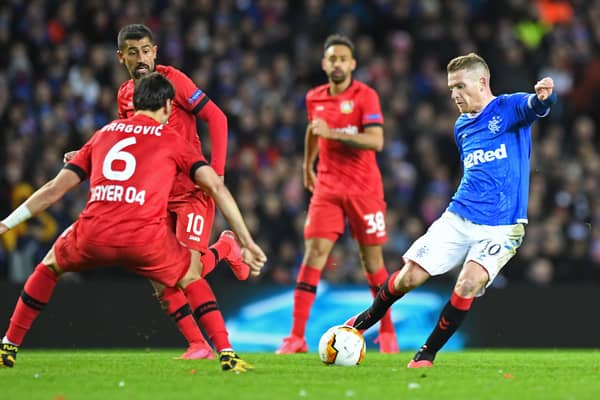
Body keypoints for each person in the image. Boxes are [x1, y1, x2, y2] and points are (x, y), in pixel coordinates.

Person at [0, 73, 267, 372]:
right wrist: (247, 240)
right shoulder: (173, 140)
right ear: (168, 106)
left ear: (133, 102)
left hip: (93, 233)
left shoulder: (103, 134)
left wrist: (7, 224)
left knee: (49, 266)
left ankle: (8, 345)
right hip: (145, 240)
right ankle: (226, 353)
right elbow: (216, 188)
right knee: (191, 277)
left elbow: (53, 191)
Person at [346, 53, 556, 368]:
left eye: (460, 86)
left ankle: (426, 354)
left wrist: (542, 99)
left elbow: (534, 108)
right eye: (450, 89)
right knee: (409, 278)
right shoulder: (461, 127)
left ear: (482, 82)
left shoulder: (508, 107)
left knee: (467, 283)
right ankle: (363, 321)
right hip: (458, 218)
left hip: (503, 225)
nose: (454, 94)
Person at [65, 24, 243, 362]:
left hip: (191, 191)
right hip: (154, 195)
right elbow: (129, 140)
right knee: (158, 275)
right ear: (122, 57)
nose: (141, 58)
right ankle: (198, 344)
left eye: (146, 50)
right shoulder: (124, 95)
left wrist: (215, 175)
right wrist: (86, 155)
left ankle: (225, 247)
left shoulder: (174, 81)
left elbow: (216, 118)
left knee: (187, 270)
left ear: (155, 51)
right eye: (133, 52)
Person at [276, 34, 399, 354]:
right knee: (313, 255)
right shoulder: (314, 97)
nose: (337, 63)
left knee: (372, 263)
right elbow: (313, 130)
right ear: (324, 63)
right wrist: (307, 165)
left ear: (353, 64)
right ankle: (296, 337)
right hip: (328, 188)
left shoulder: (366, 96)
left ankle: (386, 333)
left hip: (364, 189)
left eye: (343, 58)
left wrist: (334, 134)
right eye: (332, 58)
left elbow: (375, 141)